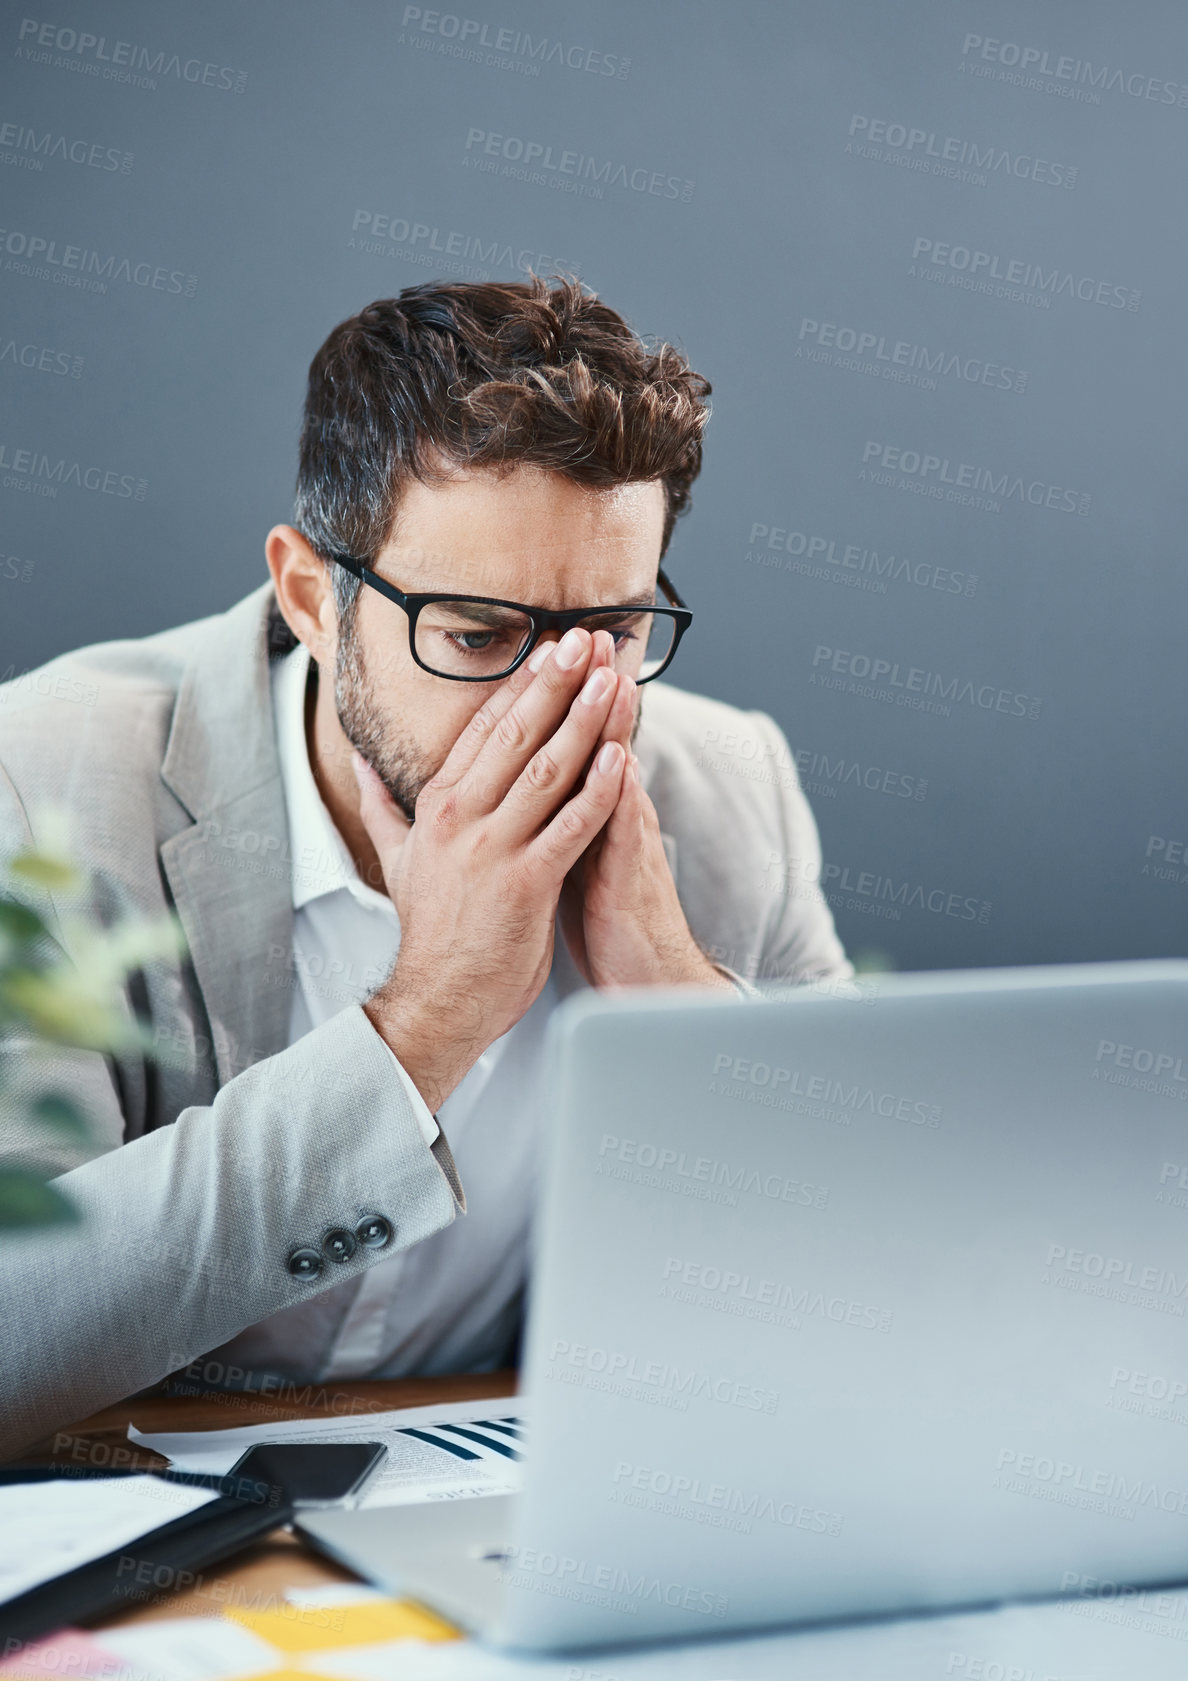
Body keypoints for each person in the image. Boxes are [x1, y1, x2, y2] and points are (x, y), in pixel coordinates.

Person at [0, 275, 850, 1456]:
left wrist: (682, 1007)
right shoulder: (39, 781)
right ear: (312, 596)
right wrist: (426, 1022)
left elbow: (885, 1280)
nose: (545, 707)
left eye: (608, 633)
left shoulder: (727, 790)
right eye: (476, 635)